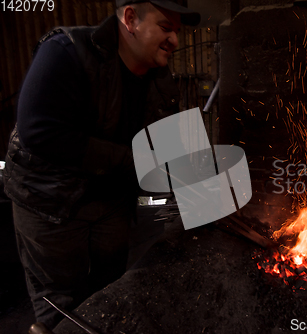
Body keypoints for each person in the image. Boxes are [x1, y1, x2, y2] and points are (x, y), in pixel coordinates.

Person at [2, 0, 200, 329]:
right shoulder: (66, 52)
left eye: (177, 32)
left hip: (111, 205)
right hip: (51, 206)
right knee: (62, 301)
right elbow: (39, 131)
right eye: (166, 28)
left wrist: (204, 192)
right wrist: (133, 160)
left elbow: (165, 142)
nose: (175, 41)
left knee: (109, 292)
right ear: (131, 18)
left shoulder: (159, 77)